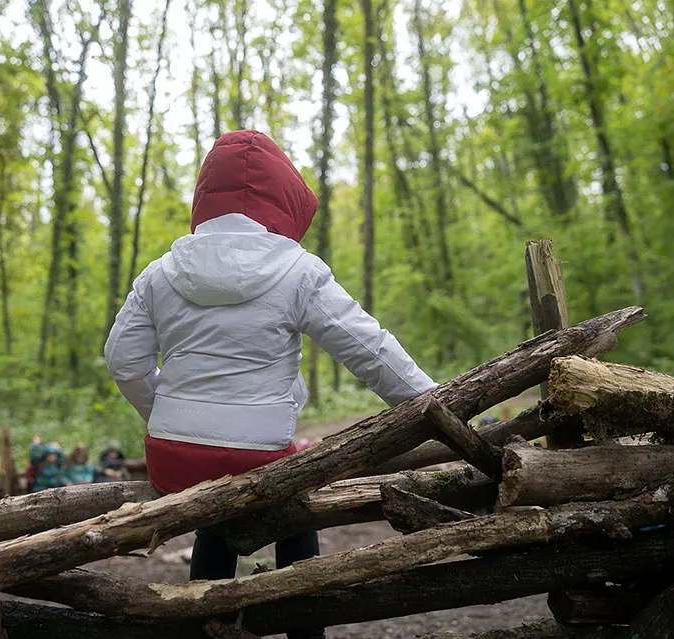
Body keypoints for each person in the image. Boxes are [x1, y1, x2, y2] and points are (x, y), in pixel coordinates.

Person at [104, 130, 437, 639]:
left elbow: (123, 361)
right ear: (282, 196)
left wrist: (167, 418)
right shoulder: (296, 271)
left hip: (172, 455)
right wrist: (436, 407)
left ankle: (204, 620)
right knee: (293, 508)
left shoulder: (160, 273)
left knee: (213, 512)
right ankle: (306, 629)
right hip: (258, 455)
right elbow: (370, 350)